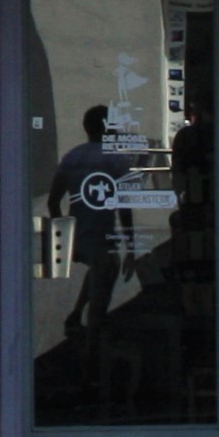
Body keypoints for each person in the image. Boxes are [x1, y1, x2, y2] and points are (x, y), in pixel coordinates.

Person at [45, 105, 134, 338]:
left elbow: (53, 202)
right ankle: (92, 360)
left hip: (79, 237)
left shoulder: (72, 157)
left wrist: (64, 238)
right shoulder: (116, 160)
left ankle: (76, 315)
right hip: (101, 237)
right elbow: (124, 208)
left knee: (99, 269)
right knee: (103, 288)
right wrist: (131, 247)